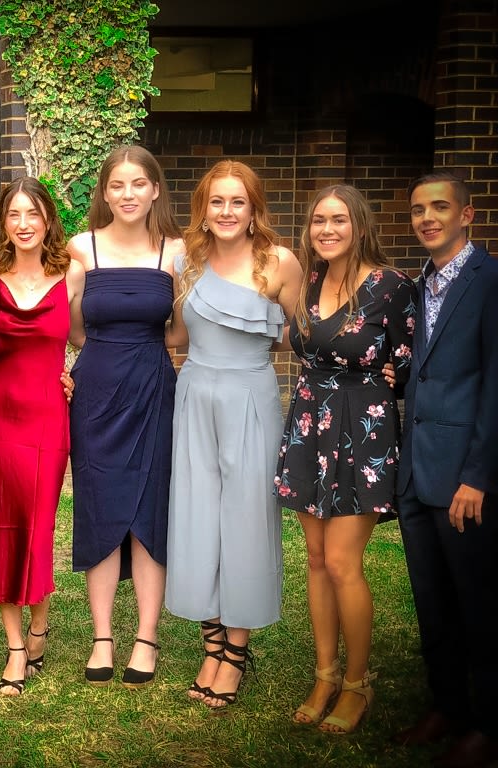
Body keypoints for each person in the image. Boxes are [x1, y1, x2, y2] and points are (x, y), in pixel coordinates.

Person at [274, 185, 416, 732]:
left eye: (337, 220)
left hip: (363, 429)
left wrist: (395, 376)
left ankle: (358, 684)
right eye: (317, 222)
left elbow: (413, 356)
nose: (326, 230)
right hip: (311, 421)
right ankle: (325, 674)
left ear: (359, 223)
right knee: (313, 558)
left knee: (340, 561)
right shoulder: (309, 280)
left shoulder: (391, 285)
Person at [165, 159, 302, 709]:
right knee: (197, 515)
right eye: (216, 202)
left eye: (236, 202)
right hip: (195, 392)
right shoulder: (185, 262)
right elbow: (176, 334)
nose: (225, 211)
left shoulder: (280, 263)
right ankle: (211, 640)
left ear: (253, 209)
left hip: (251, 396)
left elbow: (302, 336)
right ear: (203, 208)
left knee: (245, 519)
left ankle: (236, 653)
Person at [67, 145, 185, 689]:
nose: (129, 194)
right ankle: (102, 637)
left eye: (139, 184)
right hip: (96, 390)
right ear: (105, 192)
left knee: (149, 508)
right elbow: (72, 328)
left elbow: (180, 331)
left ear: (155, 190)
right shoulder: (81, 248)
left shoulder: (176, 253)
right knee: (100, 505)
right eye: (118, 185)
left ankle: (146, 637)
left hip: (153, 387)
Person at [391, 172, 498, 767]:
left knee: (476, 601)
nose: (427, 217)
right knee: (430, 599)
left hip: (464, 477)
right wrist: (398, 377)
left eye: (440, 207)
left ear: (468, 214)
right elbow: (430, 368)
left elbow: (492, 383)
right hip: (417, 471)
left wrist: (478, 475)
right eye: (417, 210)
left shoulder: (489, 282)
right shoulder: (420, 284)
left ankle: (485, 724)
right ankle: (445, 705)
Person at [0, 177, 85, 696]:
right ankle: (16, 648)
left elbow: (81, 337)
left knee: (37, 525)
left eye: (32, 213)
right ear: (4, 221)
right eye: (14, 214)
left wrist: (78, 373)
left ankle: (40, 625)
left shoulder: (73, 274)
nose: (23, 223)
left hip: (46, 413)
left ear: (48, 220)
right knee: (0, 525)